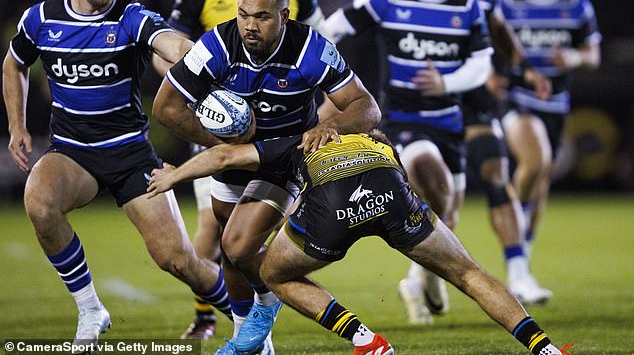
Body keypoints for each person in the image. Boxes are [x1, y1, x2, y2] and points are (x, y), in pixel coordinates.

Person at [146, 131, 573, 355]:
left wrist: (174, 175)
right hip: (390, 187)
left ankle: (365, 340)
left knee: (272, 272)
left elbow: (223, 157)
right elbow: (395, 158)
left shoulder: (297, 138)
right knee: (468, 272)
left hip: (333, 200)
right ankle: (546, 349)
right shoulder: (370, 134)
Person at [1, 0, 233, 346]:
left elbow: (170, 44)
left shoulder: (131, 16)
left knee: (178, 261)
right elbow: (14, 63)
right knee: (39, 201)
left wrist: (201, 57)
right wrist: (17, 126)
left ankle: (248, 314)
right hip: (73, 153)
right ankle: (91, 309)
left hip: (130, 156)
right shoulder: (41, 18)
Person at [152, 0, 381, 354]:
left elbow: (366, 107)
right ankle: (255, 341)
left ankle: (271, 300)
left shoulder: (310, 49)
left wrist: (328, 126)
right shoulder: (216, 47)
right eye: (243, 15)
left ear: (284, 17)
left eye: (261, 17)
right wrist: (225, 143)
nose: (249, 26)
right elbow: (166, 108)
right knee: (231, 253)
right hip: (235, 159)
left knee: (238, 246)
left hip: (286, 158)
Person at [161, 0, 327, 339]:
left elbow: (322, 45)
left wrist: (324, 119)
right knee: (213, 231)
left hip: (281, 127)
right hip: (220, 126)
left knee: (241, 237)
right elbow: (170, 54)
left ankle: (258, 306)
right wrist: (210, 102)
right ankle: (213, 314)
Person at [321, 0, 492, 323]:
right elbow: (332, 28)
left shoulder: (466, 5)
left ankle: (421, 280)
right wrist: (323, 77)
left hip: (449, 122)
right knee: (432, 177)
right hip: (402, 120)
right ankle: (425, 278)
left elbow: (482, 62)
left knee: (447, 212)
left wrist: (446, 82)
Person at [396, 0, 554, 321]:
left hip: (476, 97)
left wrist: (522, 70)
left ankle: (518, 272)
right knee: (448, 201)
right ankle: (420, 278)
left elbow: (501, 32)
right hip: (431, 103)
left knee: (496, 171)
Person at [500, 0, 601, 289]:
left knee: (541, 180)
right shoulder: (507, 5)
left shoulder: (577, 6)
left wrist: (572, 56)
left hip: (556, 104)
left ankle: (521, 263)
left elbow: (593, 54)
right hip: (517, 100)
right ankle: (514, 254)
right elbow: (492, 49)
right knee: (536, 158)